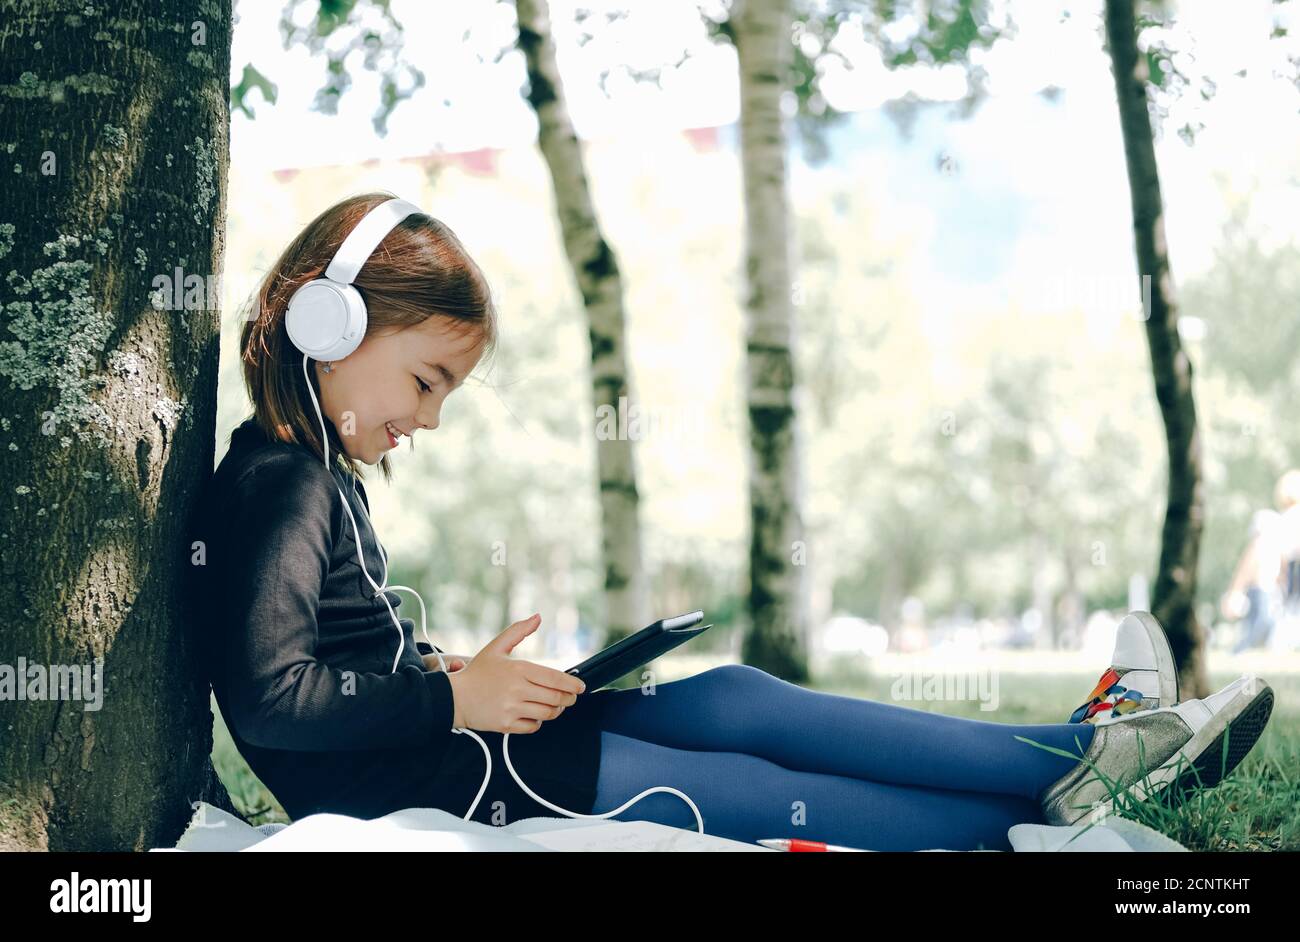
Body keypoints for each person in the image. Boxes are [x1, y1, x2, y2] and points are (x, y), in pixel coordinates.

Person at [189, 192, 1272, 852]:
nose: (427, 419)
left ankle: (1080, 752)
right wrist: (451, 696)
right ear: (326, 319)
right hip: (471, 782)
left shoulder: (315, 473)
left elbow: (335, 661)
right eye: (425, 382)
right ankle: (1061, 800)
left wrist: (450, 670)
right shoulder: (282, 482)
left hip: (471, 748)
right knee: (758, 793)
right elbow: (274, 698)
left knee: (733, 695)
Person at [1220, 470, 1300, 652]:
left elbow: (1254, 560)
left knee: (1261, 626)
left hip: (1270, 584)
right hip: (1271, 585)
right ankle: (1238, 653)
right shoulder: (1277, 522)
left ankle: (1238, 653)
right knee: (1262, 625)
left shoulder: (1278, 520)